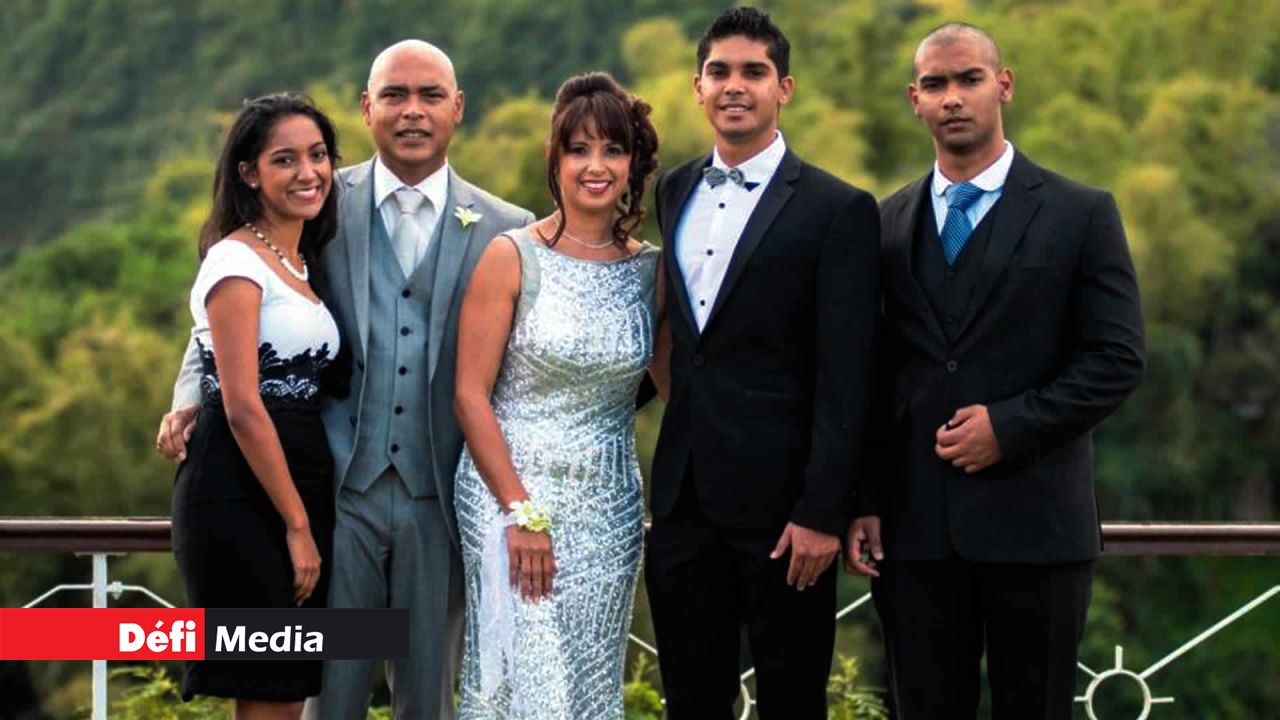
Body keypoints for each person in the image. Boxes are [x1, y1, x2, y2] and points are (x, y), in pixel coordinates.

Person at [157, 40, 534, 720]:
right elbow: (229, 305)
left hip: (439, 495)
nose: (412, 111)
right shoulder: (320, 200)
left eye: (430, 96)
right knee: (323, 694)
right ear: (367, 107)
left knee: (429, 696)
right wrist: (191, 395)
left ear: (458, 108)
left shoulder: (507, 229)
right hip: (334, 489)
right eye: (394, 95)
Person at [844, 23, 1145, 719]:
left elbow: (1117, 358)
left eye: (969, 79)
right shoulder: (883, 224)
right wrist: (862, 497)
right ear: (915, 99)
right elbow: (865, 377)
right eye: (936, 85)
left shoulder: (1081, 213)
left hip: (1038, 529)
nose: (953, 97)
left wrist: (1009, 428)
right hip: (914, 535)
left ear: (1003, 85)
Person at [646, 7, 881, 718]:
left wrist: (823, 511)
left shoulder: (839, 209)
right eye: (719, 71)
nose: (734, 85)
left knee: (791, 702)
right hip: (683, 501)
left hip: (786, 513)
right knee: (691, 699)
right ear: (697, 87)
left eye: (754, 72)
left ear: (785, 88)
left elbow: (849, 375)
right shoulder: (673, 189)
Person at [452, 71, 664, 719]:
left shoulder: (651, 270)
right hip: (509, 490)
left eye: (613, 150)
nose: (596, 166)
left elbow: (679, 391)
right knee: (529, 684)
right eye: (579, 149)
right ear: (557, 159)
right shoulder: (512, 256)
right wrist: (521, 514)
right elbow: (468, 395)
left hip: (609, 503)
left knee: (588, 688)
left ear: (633, 163)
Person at [171, 92, 340, 717]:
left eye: (318, 155)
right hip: (242, 490)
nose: (307, 172)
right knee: (269, 690)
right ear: (249, 173)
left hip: (299, 480)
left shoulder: (300, 260)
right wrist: (296, 525)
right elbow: (242, 403)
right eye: (285, 159)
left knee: (287, 691)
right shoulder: (234, 260)